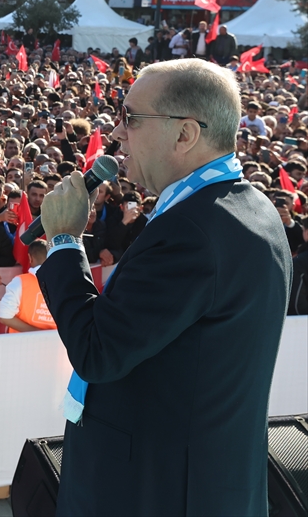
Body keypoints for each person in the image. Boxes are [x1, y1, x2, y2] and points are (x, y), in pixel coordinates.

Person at [37, 59, 291, 515]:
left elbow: (99, 351)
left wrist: (63, 242)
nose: (116, 133)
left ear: (184, 134)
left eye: (131, 118)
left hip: (153, 493)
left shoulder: (192, 232)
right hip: (204, 484)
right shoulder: (255, 210)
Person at [0, 241, 57, 333]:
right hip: (57, 345)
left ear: (30, 258)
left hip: (21, 345)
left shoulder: (19, 282)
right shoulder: (66, 284)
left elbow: (5, 317)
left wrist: (36, 333)